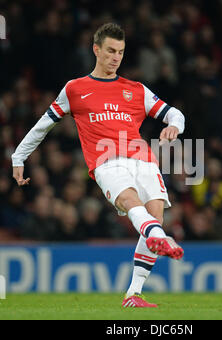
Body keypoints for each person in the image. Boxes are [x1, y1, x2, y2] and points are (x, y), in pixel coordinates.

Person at [11, 23, 185, 308]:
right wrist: (18, 157)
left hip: (142, 158)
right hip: (106, 161)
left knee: (154, 214)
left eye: (121, 52)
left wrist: (174, 127)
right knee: (131, 202)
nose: (116, 57)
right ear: (96, 49)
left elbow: (174, 114)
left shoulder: (136, 90)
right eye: (111, 51)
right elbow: (43, 126)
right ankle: (162, 239)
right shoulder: (75, 89)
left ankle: (134, 294)